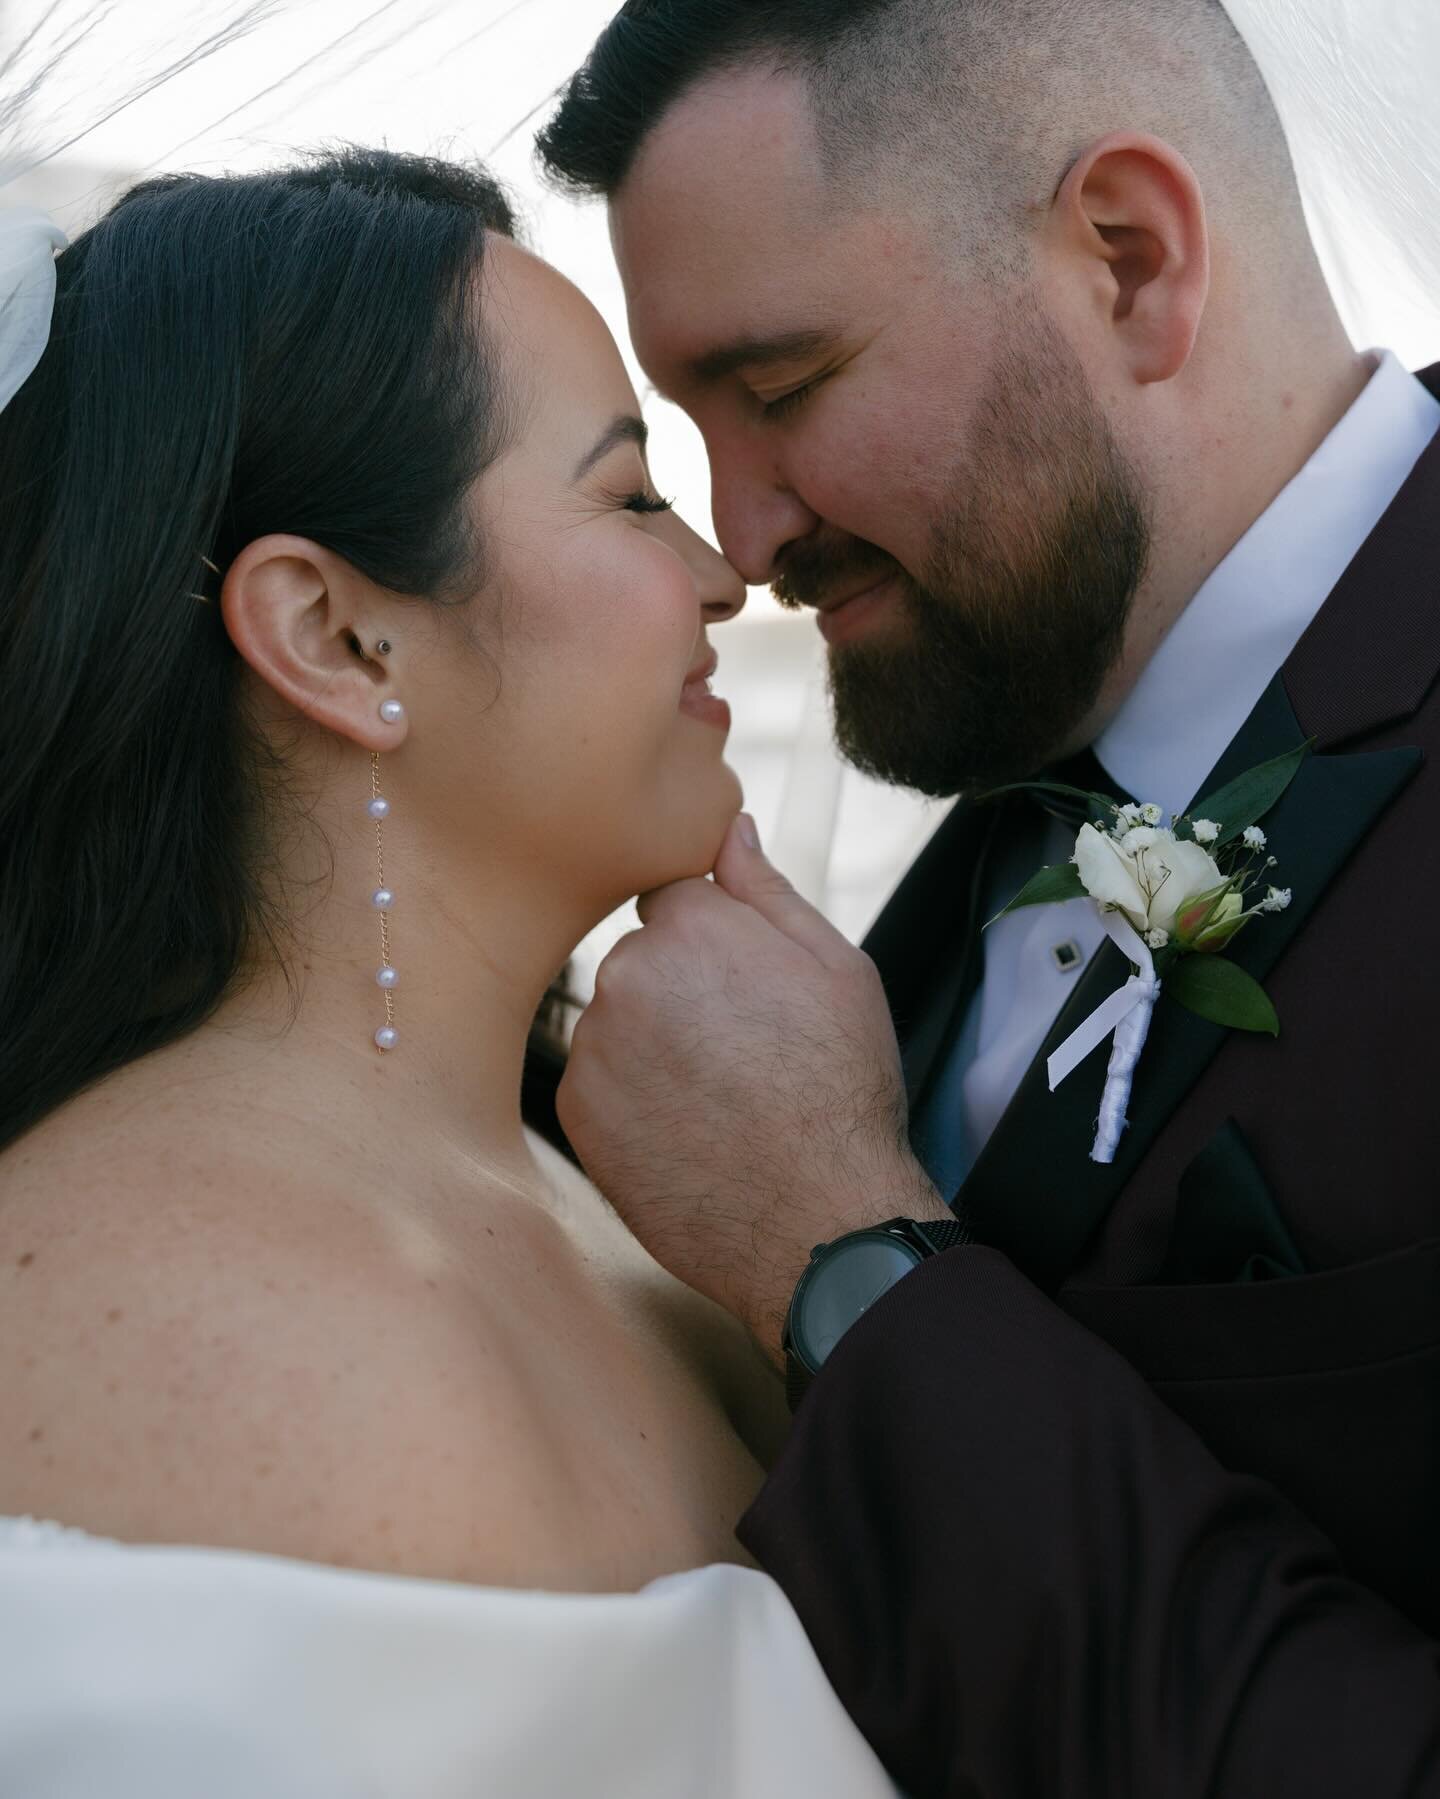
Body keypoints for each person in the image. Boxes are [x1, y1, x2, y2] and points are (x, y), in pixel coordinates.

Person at [537, 0, 1440, 1792]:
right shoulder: (1013, 749)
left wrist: (845, 1256)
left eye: (782, 392)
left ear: (1128, 260)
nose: (739, 533)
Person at [0, 149, 896, 1796]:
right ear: (338, 639)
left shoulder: (660, 1201)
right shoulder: (180, 1346)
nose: (724, 572)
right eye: (631, 495)